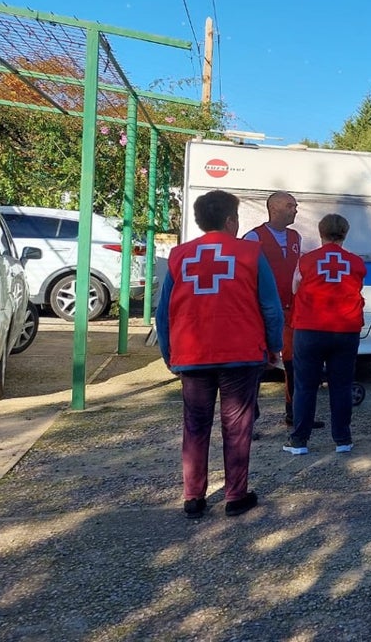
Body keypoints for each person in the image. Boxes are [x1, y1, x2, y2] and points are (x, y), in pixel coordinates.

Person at [157, 190, 283, 519]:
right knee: (236, 427)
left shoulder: (179, 256)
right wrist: (274, 347)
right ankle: (235, 495)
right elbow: (270, 308)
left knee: (195, 426)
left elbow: (162, 312)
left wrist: (169, 353)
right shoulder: (251, 253)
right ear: (230, 220)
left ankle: (193, 497)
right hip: (241, 353)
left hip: (192, 354)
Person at [284, 213, 366, 456]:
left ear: (320, 233)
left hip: (310, 329)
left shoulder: (306, 260)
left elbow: (294, 288)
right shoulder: (356, 262)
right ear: (345, 233)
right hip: (346, 330)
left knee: (305, 386)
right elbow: (357, 286)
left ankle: (299, 440)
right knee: (341, 385)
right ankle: (343, 439)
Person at [244, 191, 321, 429]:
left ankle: (295, 415)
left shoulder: (295, 237)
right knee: (256, 367)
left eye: (295, 205)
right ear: (273, 208)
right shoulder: (252, 237)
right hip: (261, 313)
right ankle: (248, 422)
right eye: (290, 205)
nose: (295, 209)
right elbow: (245, 276)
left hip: (291, 312)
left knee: (294, 364)